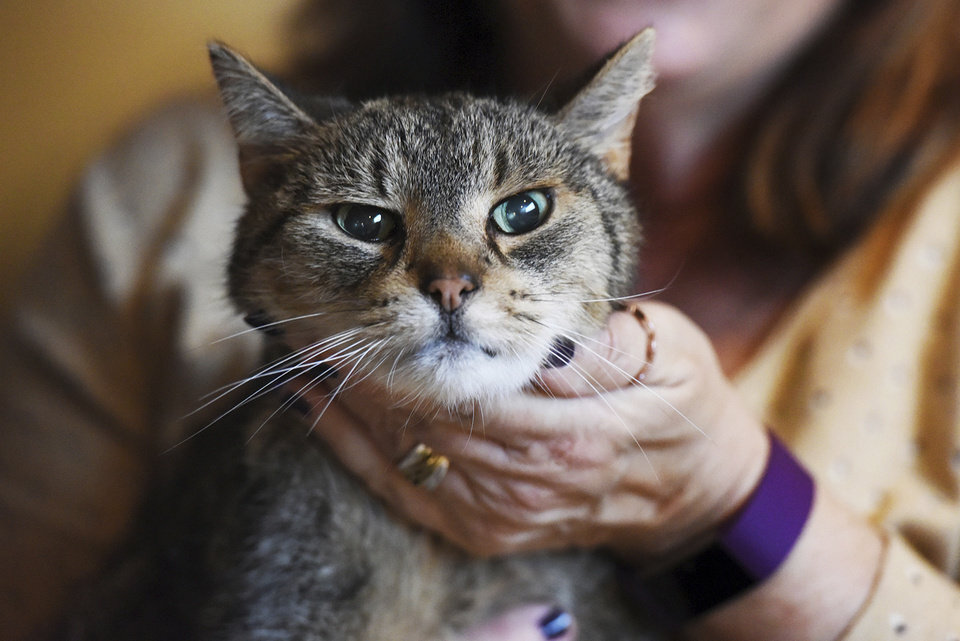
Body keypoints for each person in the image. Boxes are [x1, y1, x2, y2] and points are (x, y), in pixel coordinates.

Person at [2, 0, 960, 639]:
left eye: (523, 215)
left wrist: (722, 503)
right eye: (368, 225)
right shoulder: (161, 188)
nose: (451, 280)